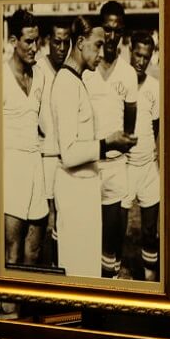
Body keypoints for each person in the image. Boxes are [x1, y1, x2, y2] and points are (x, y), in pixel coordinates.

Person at [50, 16, 135, 279]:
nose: (102, 51)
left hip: (85, 190)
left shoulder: (77, 81)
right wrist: (107, 143)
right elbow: (69, 152)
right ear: (80, 43)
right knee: (79, 275)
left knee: (88, 272)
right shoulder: (66, 84)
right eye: (97, 45)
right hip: (74, 193)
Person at [82, 1, 137, 279]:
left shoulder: (127, 73)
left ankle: (111, 282)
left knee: (114, 233)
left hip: (116, 164)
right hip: (90, 161)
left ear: (123, 33)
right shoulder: (86, 69)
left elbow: (130, 120)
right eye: (107, 30)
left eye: (117, 31)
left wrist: (122, 146)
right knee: (89, 230)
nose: (112, 37)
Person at [2, 9, 48, 267]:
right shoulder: (0, 76)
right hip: (11, 167)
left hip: (35, 164)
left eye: (37, 41)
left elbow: (41, 123)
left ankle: (28, 306)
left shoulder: (40, 75)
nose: (34, 48)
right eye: (28, 41)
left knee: (34, 249)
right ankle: (10, 308)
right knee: (13, 249)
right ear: (13, 42)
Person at [125, 31, 161, 280]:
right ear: (130, 51)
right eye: (137, 55)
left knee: (150, 228)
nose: (141, 61)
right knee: (117, 227)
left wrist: (150, 149)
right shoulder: (118, 81)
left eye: (146, 57)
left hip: (148, 164)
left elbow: (156, 124)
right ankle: (115, 275)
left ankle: (149, 276)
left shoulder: (154, 87)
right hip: (123, 165)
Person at [38, 19, 72, 267]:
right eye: (56, 42)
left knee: (64, 218)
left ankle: (61, 269)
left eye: (66, 42)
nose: (61, 48)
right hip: (43, 156)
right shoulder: (38, 68)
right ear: (48, 42)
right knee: (44, 220)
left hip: (65, 156)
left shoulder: (71, 70)